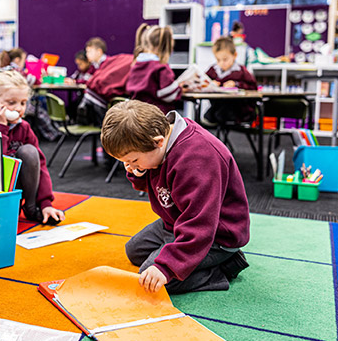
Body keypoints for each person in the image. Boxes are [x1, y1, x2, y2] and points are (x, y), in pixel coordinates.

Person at [103, 99, 250, 294]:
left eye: (133, 161)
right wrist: (137, 170)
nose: (130, 166)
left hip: (217, 235)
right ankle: (180, 252)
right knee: (134, 251)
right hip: (176, 221)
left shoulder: (197, 158)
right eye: (125, 163)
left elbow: (200, 224)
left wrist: (166, 266)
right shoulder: (157, 145)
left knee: (152, 276)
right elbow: (158, 188)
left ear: (158, 142)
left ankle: (221, 269)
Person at [0, 69, 64, 226]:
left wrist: (45, 204)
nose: (19, 108)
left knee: (30, 151)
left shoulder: (22, 126)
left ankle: (30, 207)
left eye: (23, 103)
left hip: (12, 188)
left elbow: (40, 165)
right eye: (11, 103)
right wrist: (1, 126)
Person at [126, 25, 183, 113]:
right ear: (166, 47)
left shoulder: (136, 63)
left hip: (137, 113)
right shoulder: (161, 67)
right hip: (156, 115)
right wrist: (180, 88)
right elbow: (168, 95)